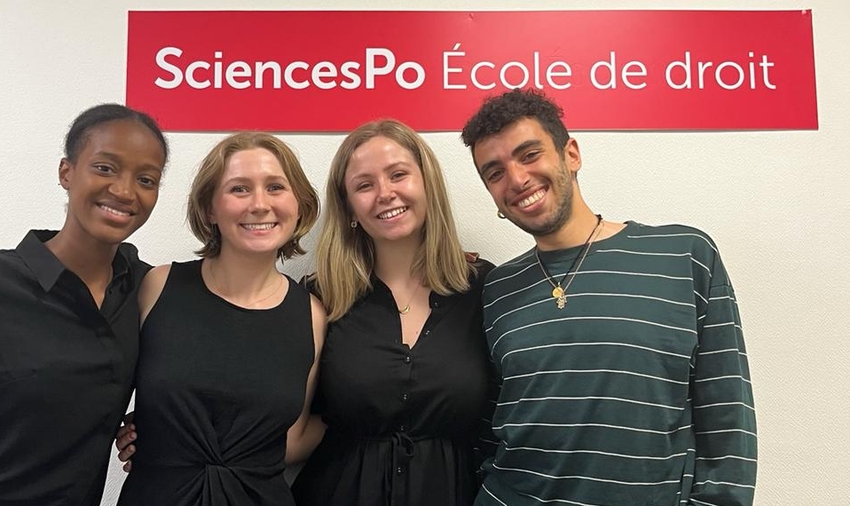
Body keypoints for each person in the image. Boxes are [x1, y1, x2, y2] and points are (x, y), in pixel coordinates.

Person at [460, 89, 757, 506]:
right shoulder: (497, 287)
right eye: (495, 173)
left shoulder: (684, 255)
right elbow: (487, 424)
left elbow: (728, 427)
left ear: (572, 154)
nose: (517, 179)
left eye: (529, 155)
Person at [289, 120, 496, 506]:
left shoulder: (484, 289)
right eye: (364, 185)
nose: (385, 193)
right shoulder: (320, 298)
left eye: (398, 174)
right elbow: (287, 430)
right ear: (349, 207)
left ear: (427, 183)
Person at [115, 132, 325, 505]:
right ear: (210, 208)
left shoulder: (310, 314)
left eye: (275, 187)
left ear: (299, 204)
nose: (260, 204)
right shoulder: (157, 285)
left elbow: (290, 441)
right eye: (239, 189)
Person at [0, 104, 168, 506]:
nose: (125, 191)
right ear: (66, 172)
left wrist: (165, 427)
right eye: (105, 168)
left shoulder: (147, 289)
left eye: (146, 179)